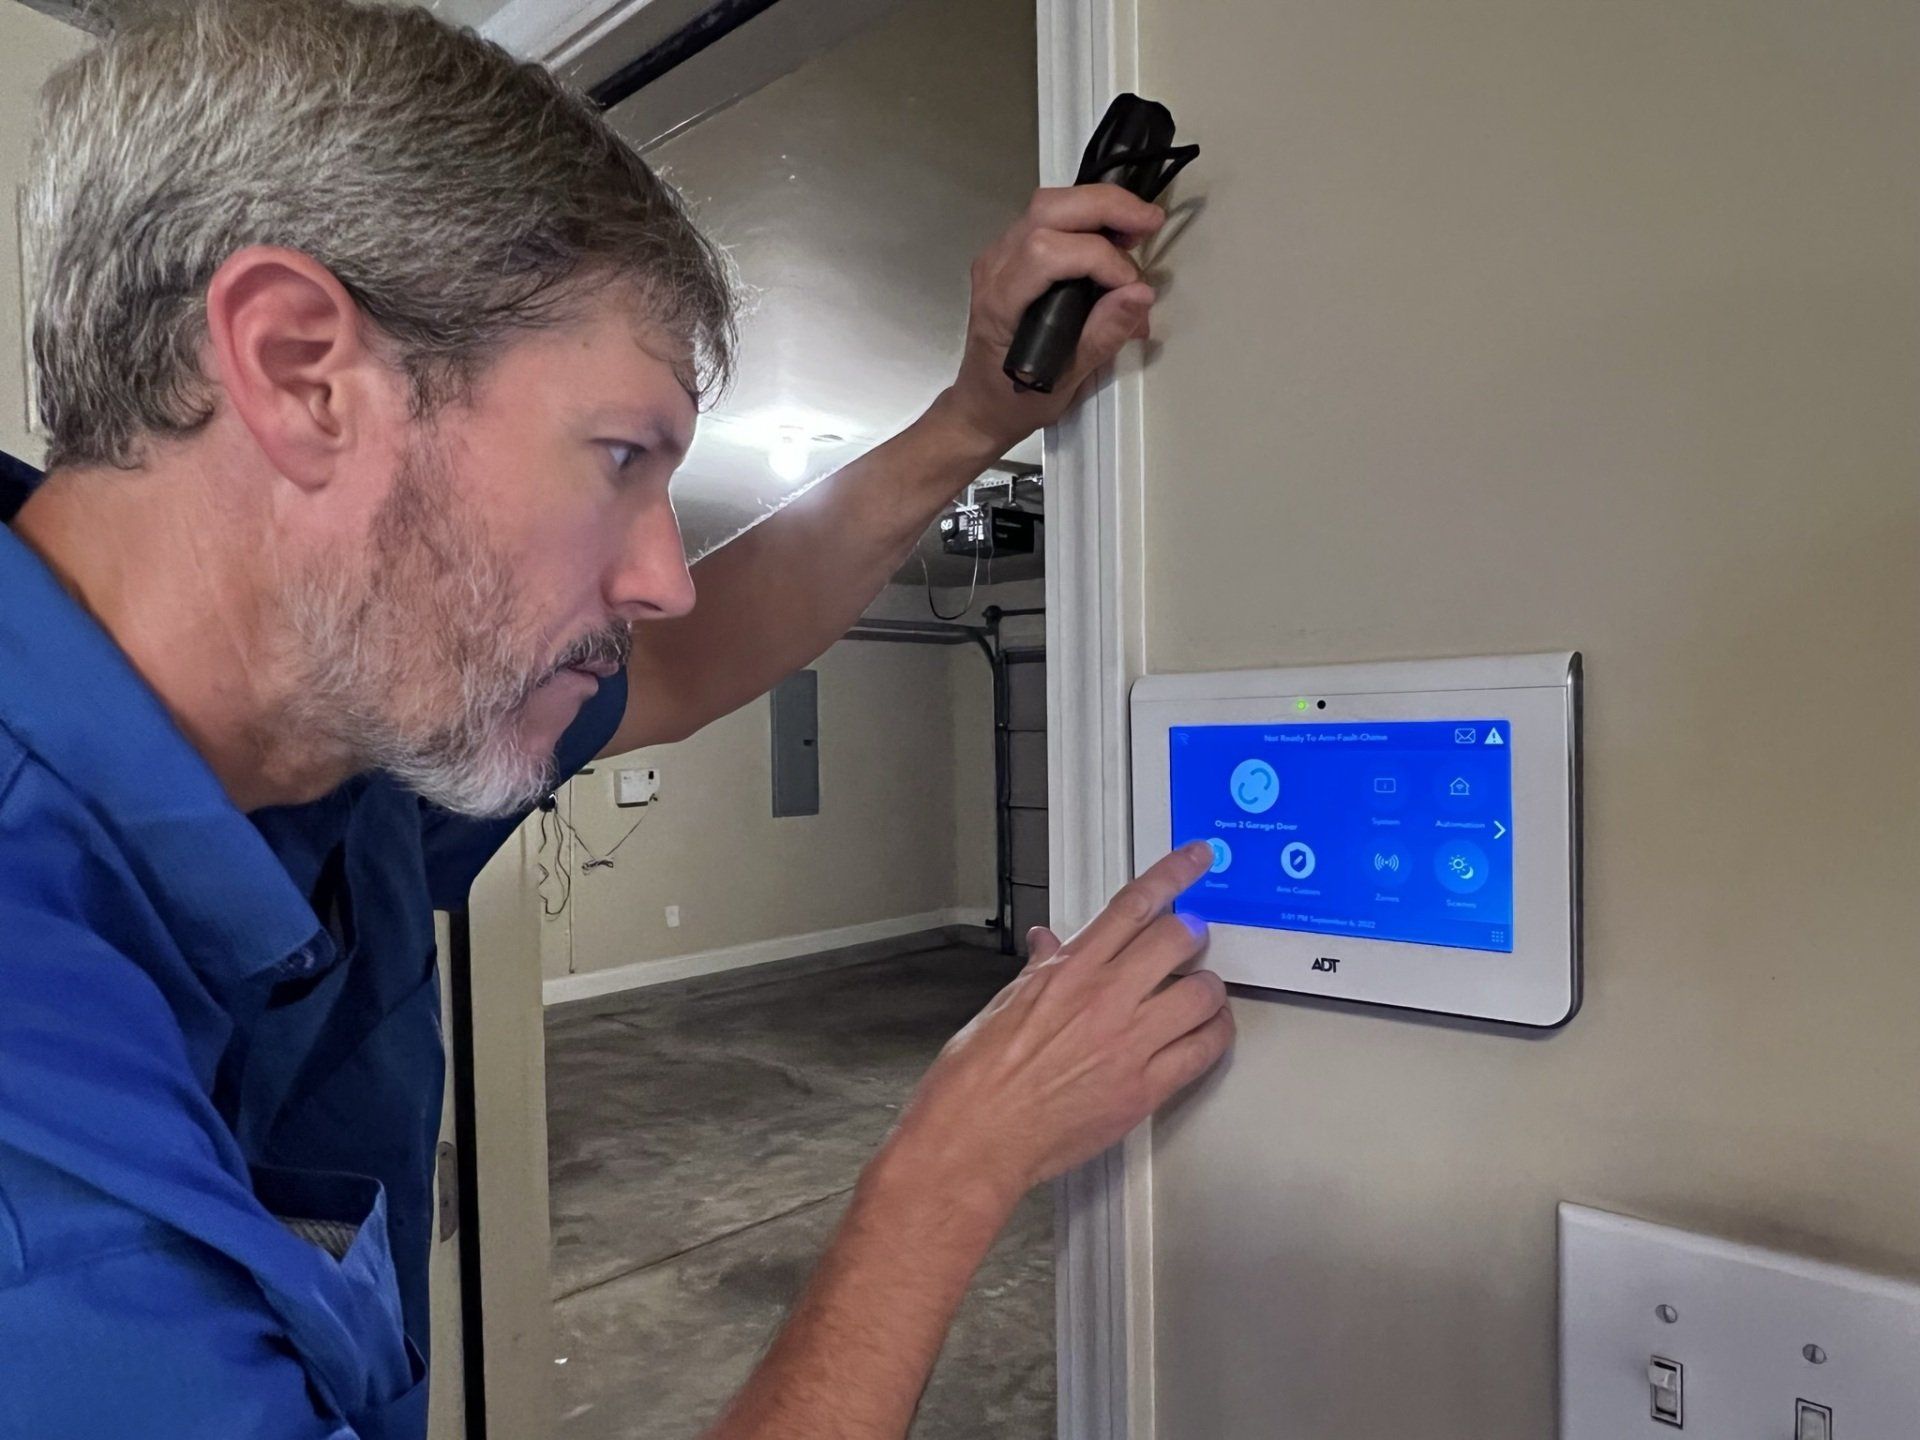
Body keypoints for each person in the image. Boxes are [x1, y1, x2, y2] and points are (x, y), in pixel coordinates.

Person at [0, 2, 1234, 1437]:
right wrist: (955, 1167)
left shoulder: (321, 744)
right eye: (619, 455)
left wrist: (972, 418)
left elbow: (689, 659)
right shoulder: (43, 1150)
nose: (662, 576)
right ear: (298, 372)